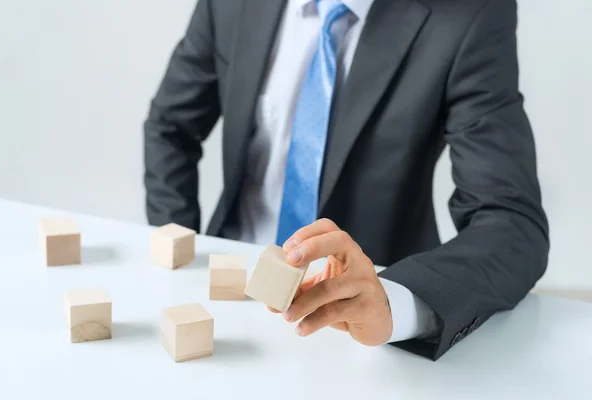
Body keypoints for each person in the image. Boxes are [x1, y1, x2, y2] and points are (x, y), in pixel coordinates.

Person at [143, 0, 549, 360]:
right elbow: (170, 126)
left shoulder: (471, 13)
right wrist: (179, 250)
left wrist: (393, 302)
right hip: (225, 295)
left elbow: (512, 224)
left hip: (361, 335)